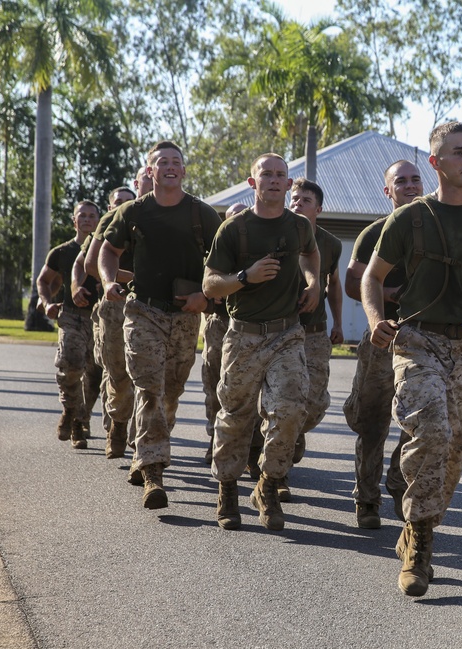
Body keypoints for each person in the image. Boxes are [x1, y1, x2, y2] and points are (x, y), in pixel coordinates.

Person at [361, 121, 462, 597]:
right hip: (416, 340)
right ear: (436, 162)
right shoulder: (408, 219)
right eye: (458, 152)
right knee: (431, 429)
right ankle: (419, 541)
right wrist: (376, 319)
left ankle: (420, 522)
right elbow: (372, 279)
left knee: (455, 444)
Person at [99, 140, 221, 510]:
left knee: (171, 390)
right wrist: (108, 282)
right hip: (143, 311)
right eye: (161, 162)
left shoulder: (202, 214)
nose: (169, 167)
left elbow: (223, 261)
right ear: (150, 171)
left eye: (175, 162)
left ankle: (143, 448)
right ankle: (153, 472)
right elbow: (107, 251)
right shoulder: (133, 212)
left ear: (184, 171)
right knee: (149, 386)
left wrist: (208, 298)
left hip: (186, 314)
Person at [203, 153, 320, 531]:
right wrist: (245, 276)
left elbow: (311, 254)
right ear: (253, 183)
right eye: (265, 174)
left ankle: (267, 485)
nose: (273, 180)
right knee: (236, 415)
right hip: (244, 335)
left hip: (287, 334)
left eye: (280, 175)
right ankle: (227, 487)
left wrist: (315, 283)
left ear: (289, 185)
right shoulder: (234, 229)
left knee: (289, 411)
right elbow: (210, 284)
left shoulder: (300, 226)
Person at [343, 160, 423, 529]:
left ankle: (395, 479)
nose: (409, 186)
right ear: (388, 191)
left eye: (414, 179)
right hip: (383, 338)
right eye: (400, 181)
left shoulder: (436, 228)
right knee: (373, 423)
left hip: (427, 343)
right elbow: (351, 284)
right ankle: (366, 499)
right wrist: (386, 292)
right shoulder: (374, 233)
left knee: (421, 424)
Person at [286, 177, 343, 501]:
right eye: (295, 198)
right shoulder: (278, 231)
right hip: (281, 328)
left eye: (305, 199)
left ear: (318, 208)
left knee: (316, 401)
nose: (298, 203)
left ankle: (295, 435)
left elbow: (333, 285)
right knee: (282, 400)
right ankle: (276, 471)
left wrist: (337, 321)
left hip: (316, 330)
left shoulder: (331, 243)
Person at [73, 183, 139, 458]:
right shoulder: (105, 227)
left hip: (144, 306)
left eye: (128, 200)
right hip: (112, 306)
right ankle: (113, 423)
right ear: (110, 206)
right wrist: (136, 277)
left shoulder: (145, 221)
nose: (122, 205)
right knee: (114, 371)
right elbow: (88, 265)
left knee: (142, 374)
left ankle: (134, 435)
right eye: (118, 201)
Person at [199, 202, 264, 479]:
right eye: (232, 217)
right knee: (216, 386)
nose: (238, 221)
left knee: (253, 391)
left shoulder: (258, 248)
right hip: (219, 323)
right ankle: (216, 438)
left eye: (242, 215)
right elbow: (204, 285)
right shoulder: (217, 249)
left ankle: (253, 450)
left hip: (251, 327)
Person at [37, 200, 103, 449]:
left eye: (92, 216)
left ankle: (80, 420)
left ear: (98, 220)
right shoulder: (62, 252)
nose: (87, 219)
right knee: (71, 366)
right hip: (72, 316)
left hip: (101, 318)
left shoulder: (107, 250)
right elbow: (43, 281)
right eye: (82, 216)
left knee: (94, 377)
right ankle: (71, 415)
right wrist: (46, 304)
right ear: (74, 221)